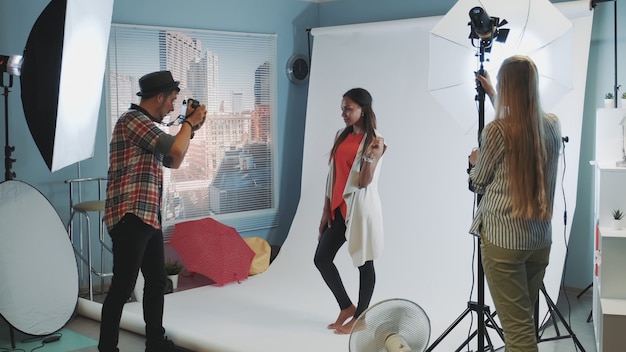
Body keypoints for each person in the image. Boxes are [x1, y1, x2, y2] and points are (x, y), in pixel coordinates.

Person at [99, 70, 206, 352]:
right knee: (123, 286)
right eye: (171, 99)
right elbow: (173, 147)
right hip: (131, 214)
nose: (173, 106)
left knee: (157, 282)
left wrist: (191, 129)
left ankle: (156, 343)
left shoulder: (146, 125)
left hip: (148, 215)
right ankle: (106, 348)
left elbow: (175, 159)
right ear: (159, 96)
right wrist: (187, 123)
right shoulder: (133, 121)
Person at [468, 55, 562, 352]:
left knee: (518, 335)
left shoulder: (496, 131)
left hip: (503, 244)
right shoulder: (552, 125)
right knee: (523, 321)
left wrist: (474, 161)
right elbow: (523, 129)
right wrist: (493, 96)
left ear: (507, 87)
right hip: (538, 241)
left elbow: (478, 182)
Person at [314, 88, 387, 335]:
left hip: (359, 211)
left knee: (364, 263)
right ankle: (346, 307)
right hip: (337, 209)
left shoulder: (376, 140)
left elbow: (364, 182)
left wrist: (369, 157)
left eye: (348, 108)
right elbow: (332, 175)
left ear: (363, 110)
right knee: (321, 259)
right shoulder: (340, 135)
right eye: (342, 108)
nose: (343, 113)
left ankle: (361, 317)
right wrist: (326, 211)